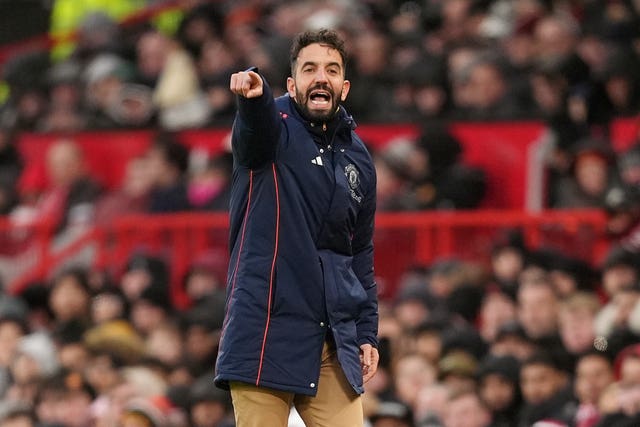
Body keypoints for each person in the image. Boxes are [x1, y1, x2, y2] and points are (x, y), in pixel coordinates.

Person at [214, 29, 379, 427]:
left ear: (345, 85)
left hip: (331, 338)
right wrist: (252, 98)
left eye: (332, 70)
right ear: (292, 83)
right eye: (310, 69)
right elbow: (254, 131)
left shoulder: (359, 158)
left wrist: (367, 333)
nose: (321, 77)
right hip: (264, 328)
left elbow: (359, 254)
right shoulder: (273, 127)